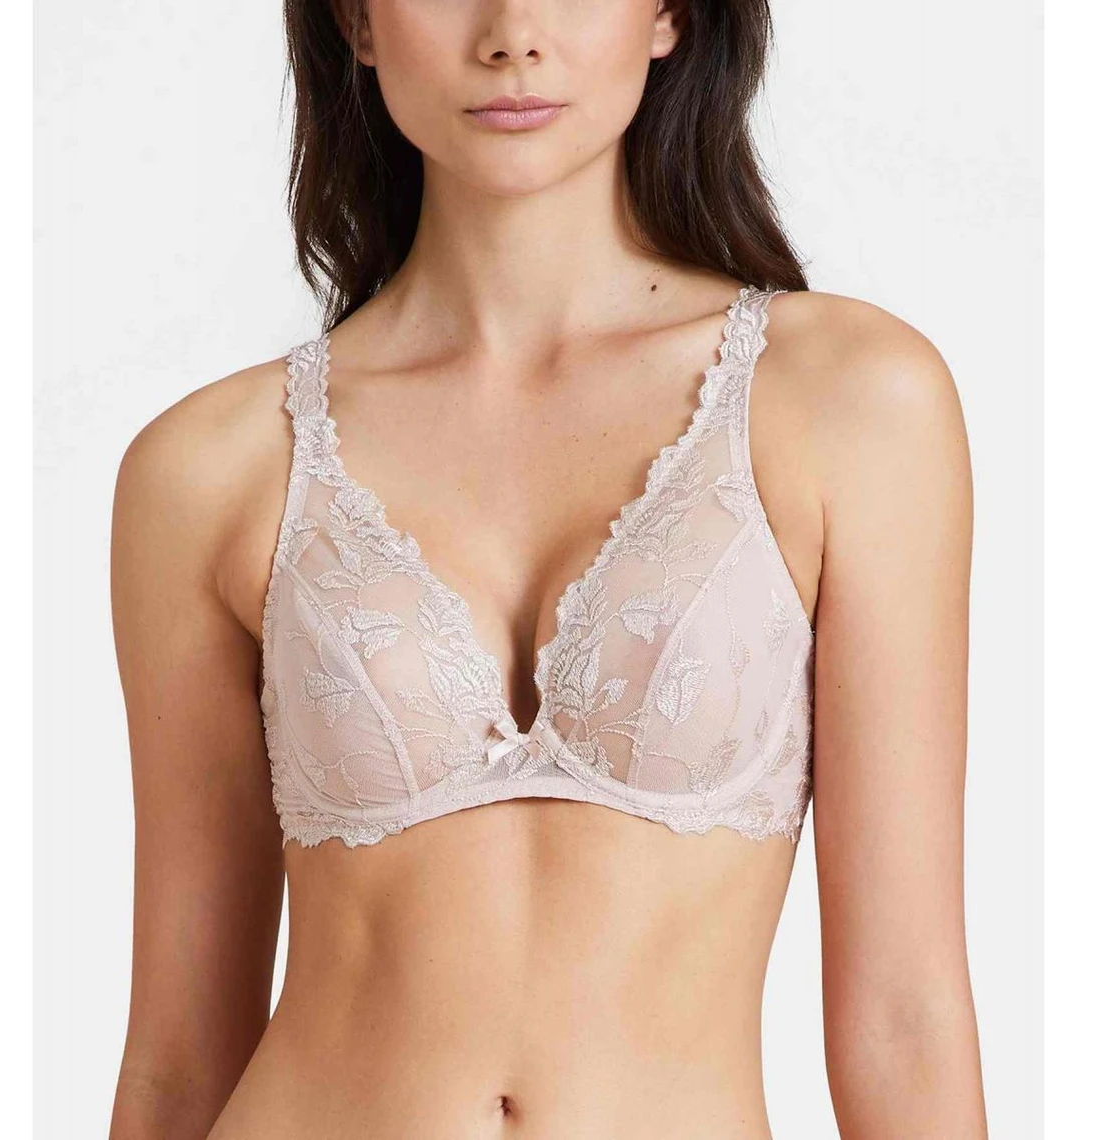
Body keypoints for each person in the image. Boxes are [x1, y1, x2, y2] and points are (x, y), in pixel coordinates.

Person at [107, 1, 987, 1136]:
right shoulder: (208, 470)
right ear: (357, 22)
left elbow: (904, 1016)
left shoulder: (850, 402)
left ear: (669, 14)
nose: (512, 32)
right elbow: (178, 1059)